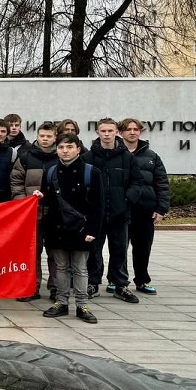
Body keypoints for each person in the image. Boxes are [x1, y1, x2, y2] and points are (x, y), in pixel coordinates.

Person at [37, 132, 103, 324]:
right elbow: (49, 199)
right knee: (60, 268)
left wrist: (93, 231)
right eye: (61, 147)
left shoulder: (91, 172)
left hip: (81, 229)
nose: (65, 151)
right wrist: (41, 196)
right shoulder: (51, 171)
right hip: (56, 227)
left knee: (80, 268)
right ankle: (61, 302)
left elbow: (98, 205)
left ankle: (82, 305)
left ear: (78, 149)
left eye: (69, 147)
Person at [82, 117, 144, 303]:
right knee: (94, 250)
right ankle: (93, 283)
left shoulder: (127, 157)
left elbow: (137, 182)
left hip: (119, 213)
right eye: (103, 131)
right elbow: (81, 183)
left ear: (117, 132)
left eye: (110, 131)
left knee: (119, 250)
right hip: (96, 214)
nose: (107, 134)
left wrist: (126, 200)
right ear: (97, 133)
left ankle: (120, 285)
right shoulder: (88, 158)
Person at [119, 118, 169, 295]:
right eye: (128, 129)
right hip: (121, 209)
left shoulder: (152, 156)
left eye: (136, 129)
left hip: (145, 210)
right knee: (119, 248)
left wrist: (161, 208)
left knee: (143, 247)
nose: (132, 132)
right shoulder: (115, 154)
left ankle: (142, 280)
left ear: (140, 132)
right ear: (121, 132)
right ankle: (117, 281)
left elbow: (162, 183)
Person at [10, 122, 59, 302]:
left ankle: (56, 288)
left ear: (55, 137)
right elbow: (16, 182)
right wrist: (23, 204)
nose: (45, 139)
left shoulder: (61, 157)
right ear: (37, 136)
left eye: (49, 136)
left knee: (56, 253)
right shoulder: (26, 157)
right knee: (32, 252)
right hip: (31, 215)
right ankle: (32, 287)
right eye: (42, 136)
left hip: (55, 215)